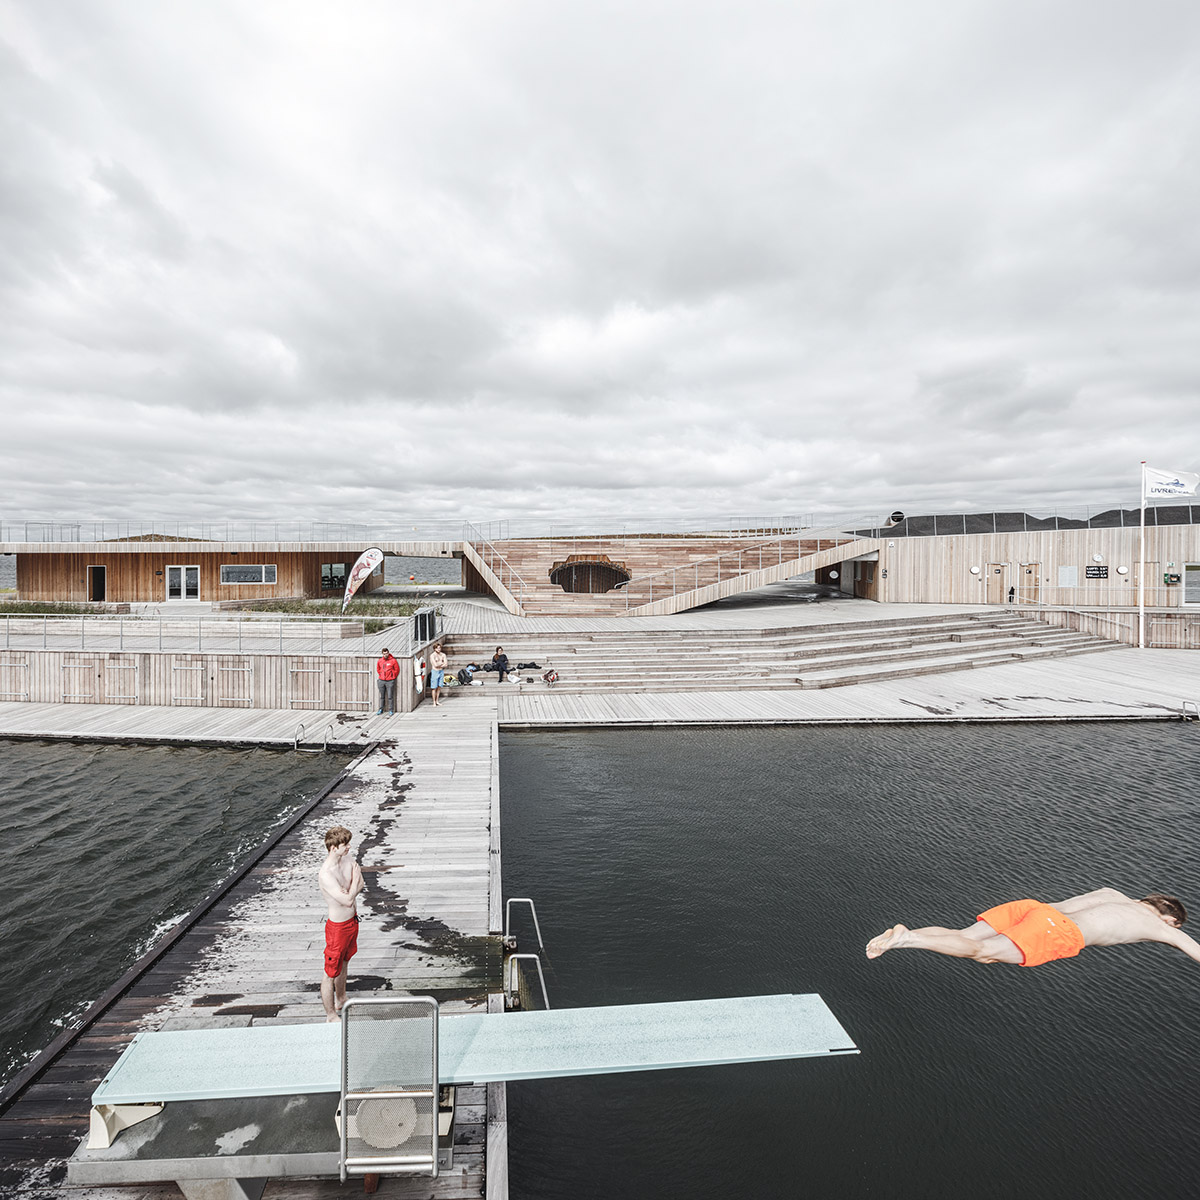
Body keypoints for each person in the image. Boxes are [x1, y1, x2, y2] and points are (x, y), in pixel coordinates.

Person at [866, 888, 1200, 968]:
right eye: (1175, 925)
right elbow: (1194, 950)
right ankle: (907, 939)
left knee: (966, 938)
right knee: (982, 952)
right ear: (1169, 918)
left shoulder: (1112, 893)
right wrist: (1175, 935)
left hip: (1035, 908)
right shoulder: (1162, 926)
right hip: (1059, 930)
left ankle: (904, 935)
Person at [318, 825, 364, 1020]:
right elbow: (347, 900)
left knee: (344, 963)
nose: (349, 847)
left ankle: (342, 999)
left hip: (352, 922)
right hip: (337, 928)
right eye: (345, 845)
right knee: (330, 972)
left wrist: (351, 890)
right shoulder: (326, 874)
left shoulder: (347, 859)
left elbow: (361, 883)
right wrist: (353, 885)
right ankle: (330, 1014)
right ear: (333, 848)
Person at [376, 647, 400, 715]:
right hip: (381, 680)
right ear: (382, 654)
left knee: (390, 696)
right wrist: (381, 675)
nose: (385, 655)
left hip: (390, 681)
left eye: (386, 653)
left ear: (388, 653)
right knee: (382, 696)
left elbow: (397, 670)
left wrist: (392, 676)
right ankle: (381, 709)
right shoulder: (380, 661)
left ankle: (391, 710)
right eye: (384, 654)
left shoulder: (393, 661)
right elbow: (378, 669)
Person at [429, 642, 448, 707]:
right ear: (434, 649)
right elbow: (435, 665)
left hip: (441, 671)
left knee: (439, 687)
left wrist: (440, 663)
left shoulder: (443, 655)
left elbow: (446, 664)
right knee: (434, 687)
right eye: (437, 648)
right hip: (435, 671)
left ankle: (437, 701)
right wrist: (441, 663)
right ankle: (434, 702)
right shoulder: (432, 655)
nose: (439, 649)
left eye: (439, 648)